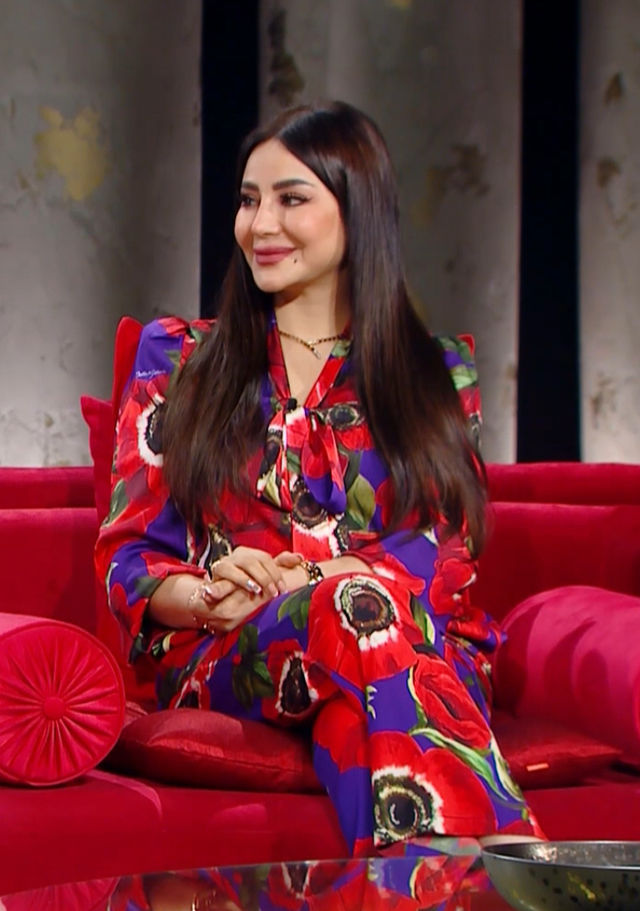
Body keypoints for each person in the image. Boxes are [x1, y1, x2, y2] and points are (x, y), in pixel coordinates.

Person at [95, 100, 542, 855]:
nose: (260, 224)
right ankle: (505, 875)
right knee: (354, 611)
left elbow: (445, 556)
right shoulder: (177, 358)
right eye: (248, 201)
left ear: (357, 211)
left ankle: (408, 889)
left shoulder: (434, 371)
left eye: (291, 198)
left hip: (414, 645)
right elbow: (128, 557)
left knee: (354, 667)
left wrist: (313, 577)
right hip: (239, 653)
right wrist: (208, 595)